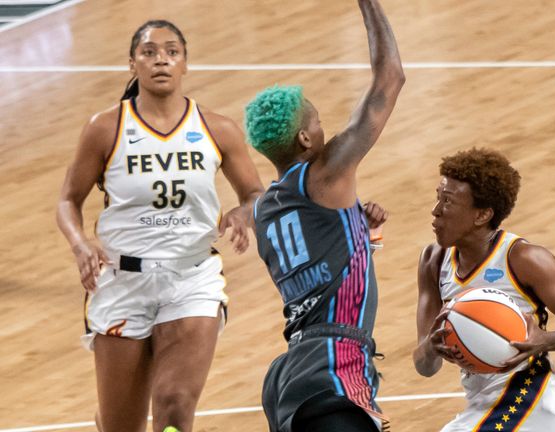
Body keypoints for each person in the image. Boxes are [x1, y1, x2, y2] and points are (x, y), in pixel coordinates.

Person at [56, 20, 264, 432]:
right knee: (122, 425)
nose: (161, 60)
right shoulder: (105, 127)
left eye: (171, 51)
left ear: (185, 63)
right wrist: (80, 244)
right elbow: (68, 200)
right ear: (132, 64)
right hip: (122, 280)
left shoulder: (217, 128)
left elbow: (255, 192)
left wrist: (243, 212)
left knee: (174, 402)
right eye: (149, 52)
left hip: (192, 277)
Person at [243, 0, 404, 430]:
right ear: (304, 138)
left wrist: (357, 227)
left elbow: (317, 260)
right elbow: (390, 77)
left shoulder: (262, 211)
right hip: (333, 365)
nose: (323, 126)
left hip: (291, 374)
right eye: (317, 121)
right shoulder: (326, 173)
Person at [413, 147, 555, 432]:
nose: (436, 210)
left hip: (532, 397)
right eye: (437, 197)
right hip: (481, 404)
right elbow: (424, 367)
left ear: (482, 215)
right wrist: (431, 348)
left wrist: (546, 339)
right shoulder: (433, 260)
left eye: (448, 201)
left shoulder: (524, 259)